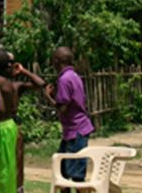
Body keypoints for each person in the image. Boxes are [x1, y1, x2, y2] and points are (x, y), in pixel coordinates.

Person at [0, 49, 46, 193]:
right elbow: (40, 83)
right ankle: (18, 189)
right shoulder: (13, 85)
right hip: (13, 126)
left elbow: (0, 109)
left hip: (0, 129)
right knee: (15, 163)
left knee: (2, 166)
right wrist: (24, 71)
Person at [46, 47, 94, 187]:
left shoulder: (64, 79)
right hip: (74, 131)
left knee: (76, 176)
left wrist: (48, 96)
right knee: (62, 173)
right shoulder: (73, 76)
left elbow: (63, 108)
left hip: (75, 131)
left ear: (57, 61)